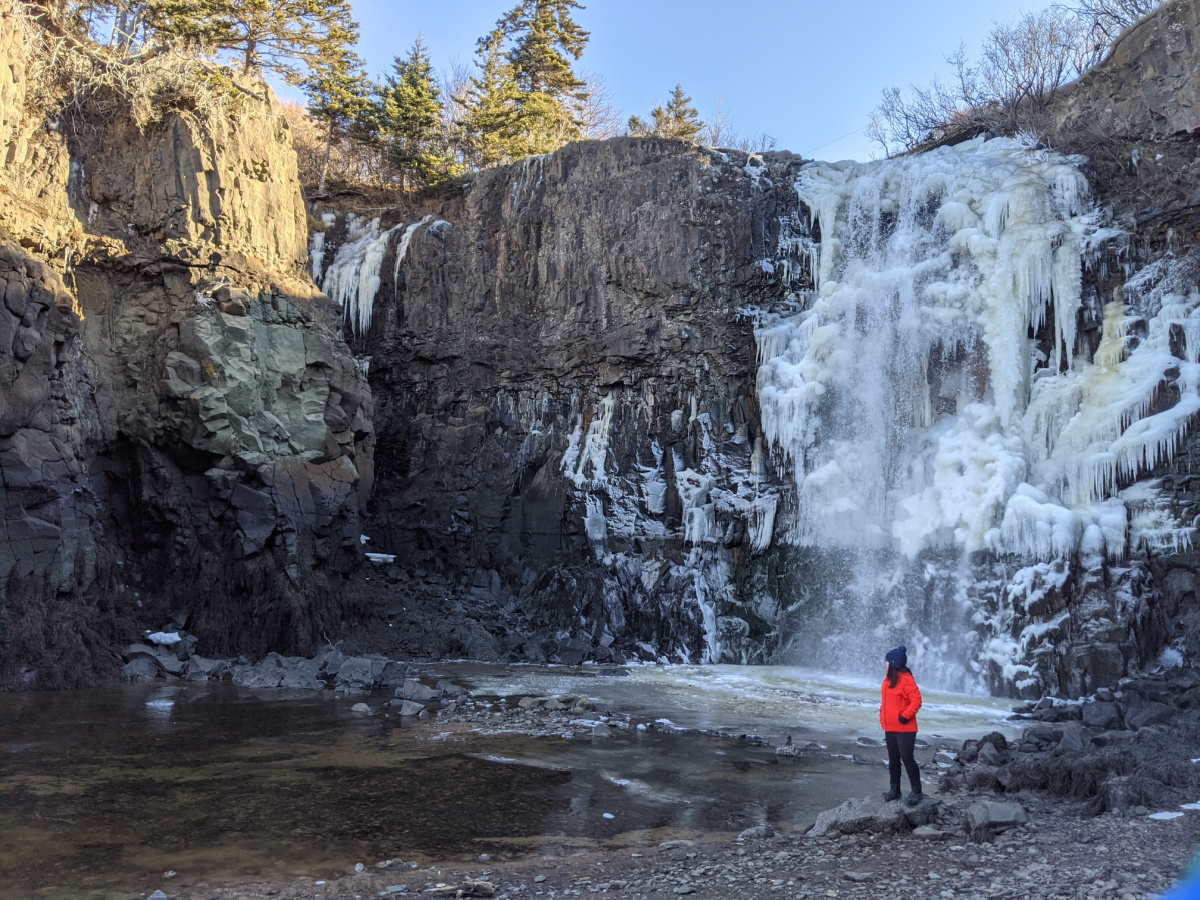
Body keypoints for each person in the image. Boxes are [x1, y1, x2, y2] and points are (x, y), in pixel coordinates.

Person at [879, 645, 923, 805]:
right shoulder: (889, 679)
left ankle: (917, 791)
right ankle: (895, 790)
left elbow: (917, 701)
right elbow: (887, 702)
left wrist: (904, 716)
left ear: (893, 663)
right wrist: (882, 717)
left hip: (905, 728)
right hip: (890, 727)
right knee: (893, 759)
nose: (885, 663)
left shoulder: (906, 680)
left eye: (886, 661)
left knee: (907, 758)